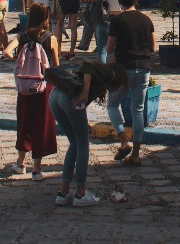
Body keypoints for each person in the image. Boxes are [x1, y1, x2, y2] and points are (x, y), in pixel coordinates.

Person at [47, 60, 128, 207]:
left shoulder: (99, 80)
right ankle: (80, 193)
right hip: (69, 98)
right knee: (83, 144)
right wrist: (84, 91)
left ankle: (64, 193)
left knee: (74, 143)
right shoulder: (110, 74)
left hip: (55, 96)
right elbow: (87, 65)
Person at [106, 0, 157, 166]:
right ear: (136, 0)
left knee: (112, 104)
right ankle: (136, 154)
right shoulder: (146, 20)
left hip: (123, 70)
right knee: (138, 110)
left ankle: (123, 140)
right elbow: (153, 47)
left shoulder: (118, 21)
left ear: (120, 2)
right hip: (143, 68)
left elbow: (109, 48)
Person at [12, 3, 58, 179]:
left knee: (24, 121)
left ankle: (20, 162)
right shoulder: (50, 38)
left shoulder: (22, 37)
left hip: (25, 86)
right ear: (46, 18)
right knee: (41, 124)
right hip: (44, 87)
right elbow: (56, 66)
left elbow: (7, 52)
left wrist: (21, 63)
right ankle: (37, 169)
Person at [87, 0, 124, 64]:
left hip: (104, 19)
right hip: (119, 19)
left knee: (102, 48)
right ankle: (117, 69)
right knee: (118, 47)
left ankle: (103, 70)